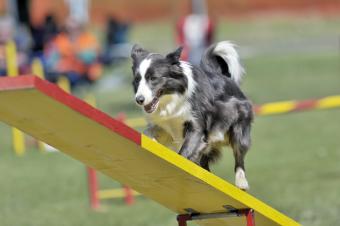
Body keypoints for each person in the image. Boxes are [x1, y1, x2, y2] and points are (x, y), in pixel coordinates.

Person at [44, 18, 102, 88]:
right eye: (69, 29)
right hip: (65, 73)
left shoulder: (88, 38)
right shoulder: (60, 40)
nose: (72, 31)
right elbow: (52, 59)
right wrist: (56, 64)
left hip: (85, 72)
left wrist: (76, 52)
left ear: (80, 28)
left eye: (74, 28)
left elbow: (92, 56)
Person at [176, 0, 214, 65]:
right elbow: (180, 39)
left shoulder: (207, 22)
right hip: (188, 55)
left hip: (202, 54)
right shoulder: (183, 21)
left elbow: (209, 40)